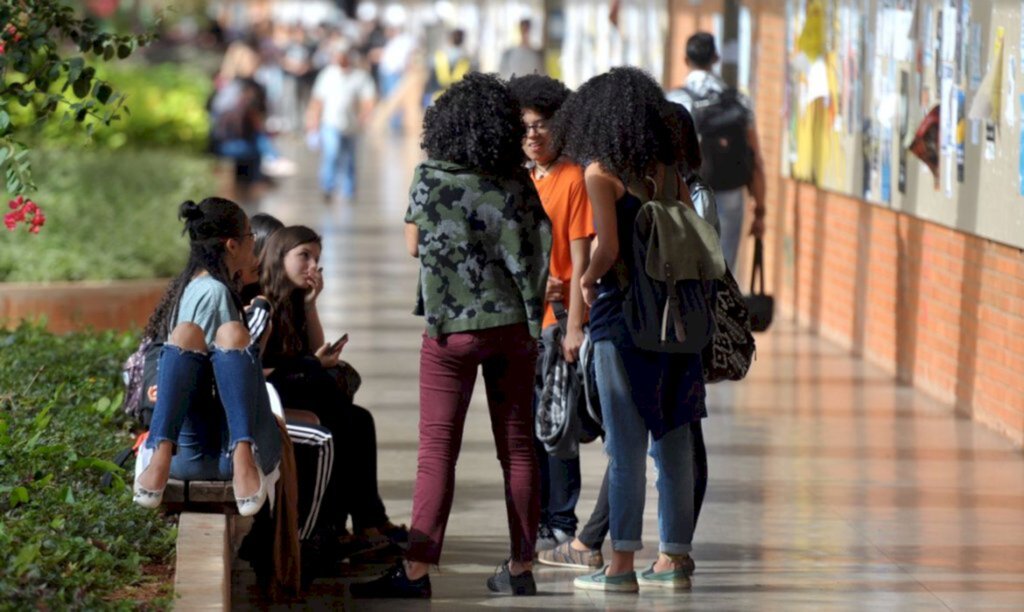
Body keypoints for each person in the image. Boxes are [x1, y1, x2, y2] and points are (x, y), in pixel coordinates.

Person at [352, 73, 551, 599]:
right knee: (519, 447)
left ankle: (416, 571)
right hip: (512, 327)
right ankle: (521, 565)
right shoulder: (515, 180)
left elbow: (414, 247)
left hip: (450, 333)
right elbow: (536, 252)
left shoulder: (429, 177)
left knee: (438, 450)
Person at [539, 102, 713, 574]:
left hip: (625, 321)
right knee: (675, 440)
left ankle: (619, 567)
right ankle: (674, 557)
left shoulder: (601, 172)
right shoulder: (668, 172)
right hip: (676, 321)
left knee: (626, 449)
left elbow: (609, 247)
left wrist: (586, 281)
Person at [133, 197, 282, 518]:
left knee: (191, 334)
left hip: (186, 453)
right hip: (220, 447)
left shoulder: (192, 285)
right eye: (250, 238)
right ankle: (242, 452)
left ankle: (160, 455)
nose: (254, 246)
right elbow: (221, 380)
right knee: (231, 336)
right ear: (231, 245)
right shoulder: (214, 293)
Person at [258, 225, 404, 554]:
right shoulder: (262, 304)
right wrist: (311, 366)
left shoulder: (293, 301)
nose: (313, 266)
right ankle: (340, 527)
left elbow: (313, 349)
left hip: (290, 391)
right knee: (341, 418)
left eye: (317, 259)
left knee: (359, 419)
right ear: (279, 258)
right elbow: (253, 370)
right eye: (303, 256)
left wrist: (311, 304)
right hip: (269, 398)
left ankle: (367, 520)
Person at [508, 73, 593, 552]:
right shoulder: (516, 180)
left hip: (555, 321)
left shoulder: (574, 178)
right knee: (525, 426)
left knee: (557, 424)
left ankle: (561, 518)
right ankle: (536, 516)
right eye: (524, 128)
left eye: (541, 125)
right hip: (517, 322)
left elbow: (581, 261)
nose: (533, 135)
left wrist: (575, 326)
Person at [666, 32, 766, 269]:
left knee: (687, 269)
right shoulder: (739, 101)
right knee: (723, 265)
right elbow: (756, 159)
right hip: (730, 190)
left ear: (685, 59)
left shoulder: (675, 100)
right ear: (716, 58)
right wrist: (760, 210)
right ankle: (716, 305)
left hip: (686, 193)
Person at [306, 41, 377, 203]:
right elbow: (317, 100)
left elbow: (369, 98)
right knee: (332, 153)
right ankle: (327, 187)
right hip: (331, 123)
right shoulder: (327, 75)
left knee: (350, 159)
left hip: (352, 126)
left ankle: (349, 190)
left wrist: (365, 115)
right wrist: (313, 122)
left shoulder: (360, 76)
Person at [423, 29, 475, 105]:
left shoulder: (438, 57)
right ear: (463, 41)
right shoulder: (467, 61)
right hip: (458, 99)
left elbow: (427, 77)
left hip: (437, 97)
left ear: (450, 39)